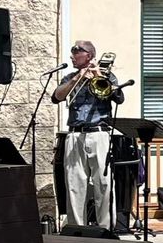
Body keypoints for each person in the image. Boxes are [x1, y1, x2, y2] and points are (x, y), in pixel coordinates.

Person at [51, 40, 123, 228]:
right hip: (75, 134)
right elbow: (57, 97)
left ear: (89, 55)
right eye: (72, 52)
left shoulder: (107, 76)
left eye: (77, 52)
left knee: (103, 184)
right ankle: (77, 229)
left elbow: (118, 98)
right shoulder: (69, 77)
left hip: (99, 133)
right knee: (75, 184)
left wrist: (98, 76)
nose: (72, 56)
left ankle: (106, 229)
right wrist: (77, 79)